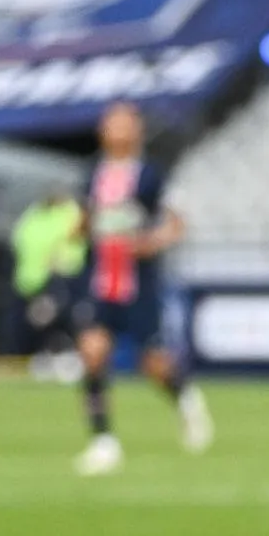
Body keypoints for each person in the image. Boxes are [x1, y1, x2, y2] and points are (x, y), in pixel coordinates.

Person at [69, 102, 212, 475]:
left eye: (122, 122)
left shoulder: (152, 176)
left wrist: (152, 241)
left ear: (137, 130)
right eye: (109, 122)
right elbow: (83, 223)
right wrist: (78, 230)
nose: (114, 129)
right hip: (99, 280)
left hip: (138, 284)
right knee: (93, 353)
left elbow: (176, 224)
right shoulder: (92, 175)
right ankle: (103, 441)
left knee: (153, 363)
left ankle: (184, 397)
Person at [8, 188, 86, 363]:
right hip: (28, 282)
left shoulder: (71, 212)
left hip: (57, 279)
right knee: (31, 323)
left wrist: (61, 263)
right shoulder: (34, 213)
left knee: (54, 319)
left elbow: (75, 241)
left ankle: (62, 355)